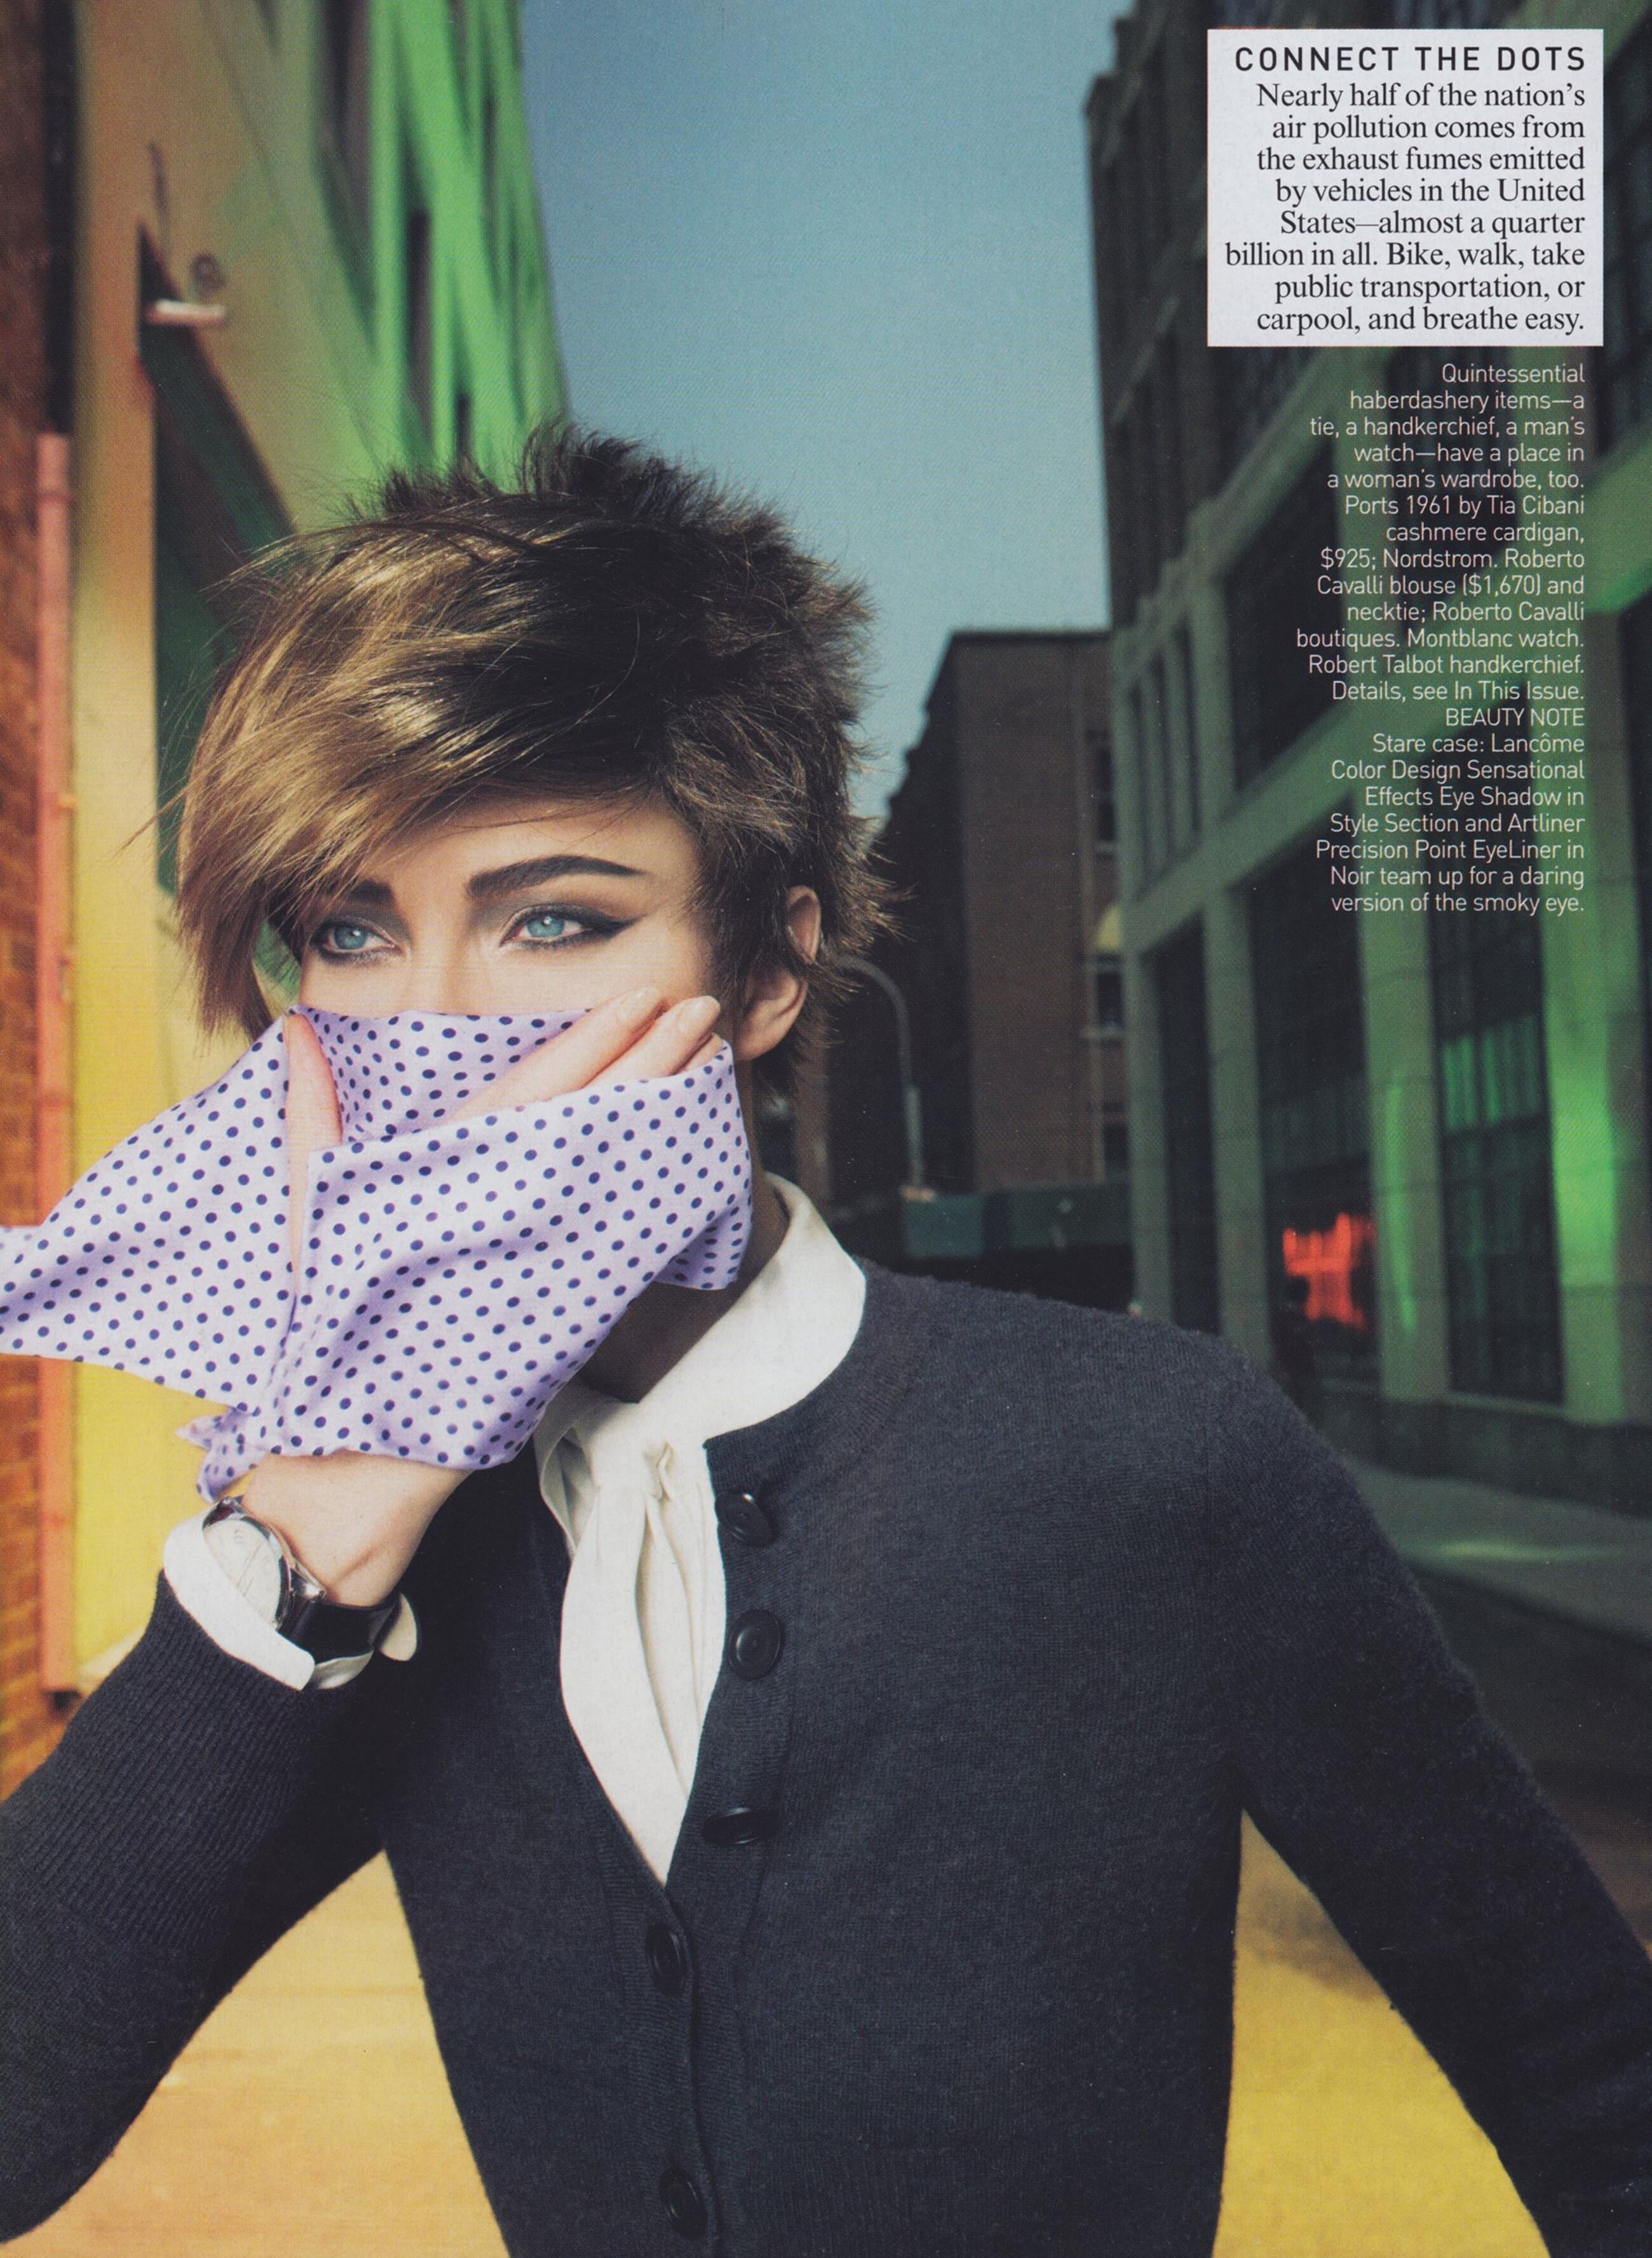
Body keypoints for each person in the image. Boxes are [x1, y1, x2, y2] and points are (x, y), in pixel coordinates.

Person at [3, 428, 1652, 2258]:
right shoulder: (367, 1560)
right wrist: (324, 1523)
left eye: (555, 919)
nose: (443, 1028)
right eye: (352, 931)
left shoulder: (1151, 1460)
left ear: (772, 971)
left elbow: (1596, 2084)